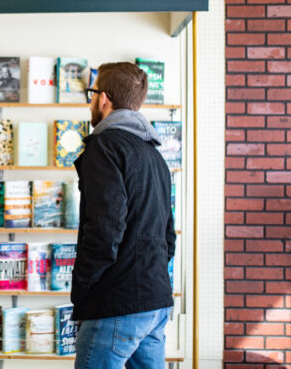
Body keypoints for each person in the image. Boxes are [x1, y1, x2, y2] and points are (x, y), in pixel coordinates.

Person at [72, 62, 176, 369]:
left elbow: (105, 229)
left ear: (103, 98)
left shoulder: (104, 147)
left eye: (91, 95)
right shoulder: (155, 155)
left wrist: (82, 287)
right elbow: (168, 235)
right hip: (155, 301)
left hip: (115, 303)